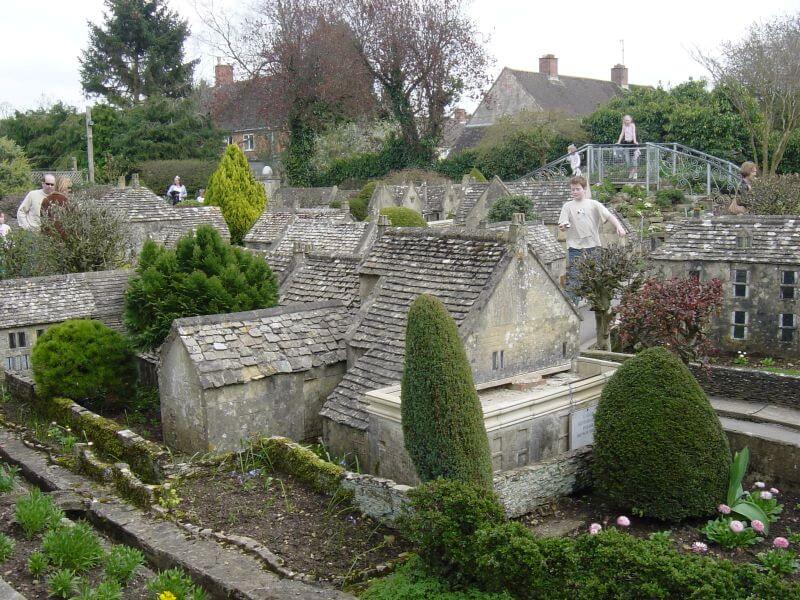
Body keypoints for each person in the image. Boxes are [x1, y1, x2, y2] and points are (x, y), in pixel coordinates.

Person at [559, 176, 627, 303]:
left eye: (577, 189)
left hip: (593, 246)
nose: (574, 192)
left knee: (597, 276)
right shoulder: (567, 206)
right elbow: (562, 225)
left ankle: (597, 303)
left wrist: (619, 227)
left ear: (584, 189)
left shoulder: (594, 204)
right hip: (575, 247)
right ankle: (571, 307)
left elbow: (609, 216)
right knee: (574, 277)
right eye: (572, 190)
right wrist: (563, 226)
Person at [616, 115, 639, 179]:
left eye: (628, 120)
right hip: (626, 143)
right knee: (628, 160)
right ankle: (631, 171)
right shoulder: (624, 126)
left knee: (634, 159)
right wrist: (618, 142)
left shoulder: (632, 125)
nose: (627, 121)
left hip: (632, 143)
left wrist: (635, 141)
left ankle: (635, 173)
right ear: (624, 120)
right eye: (626, 120)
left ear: (630, 120)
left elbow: (634, 133)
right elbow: (622, 134)